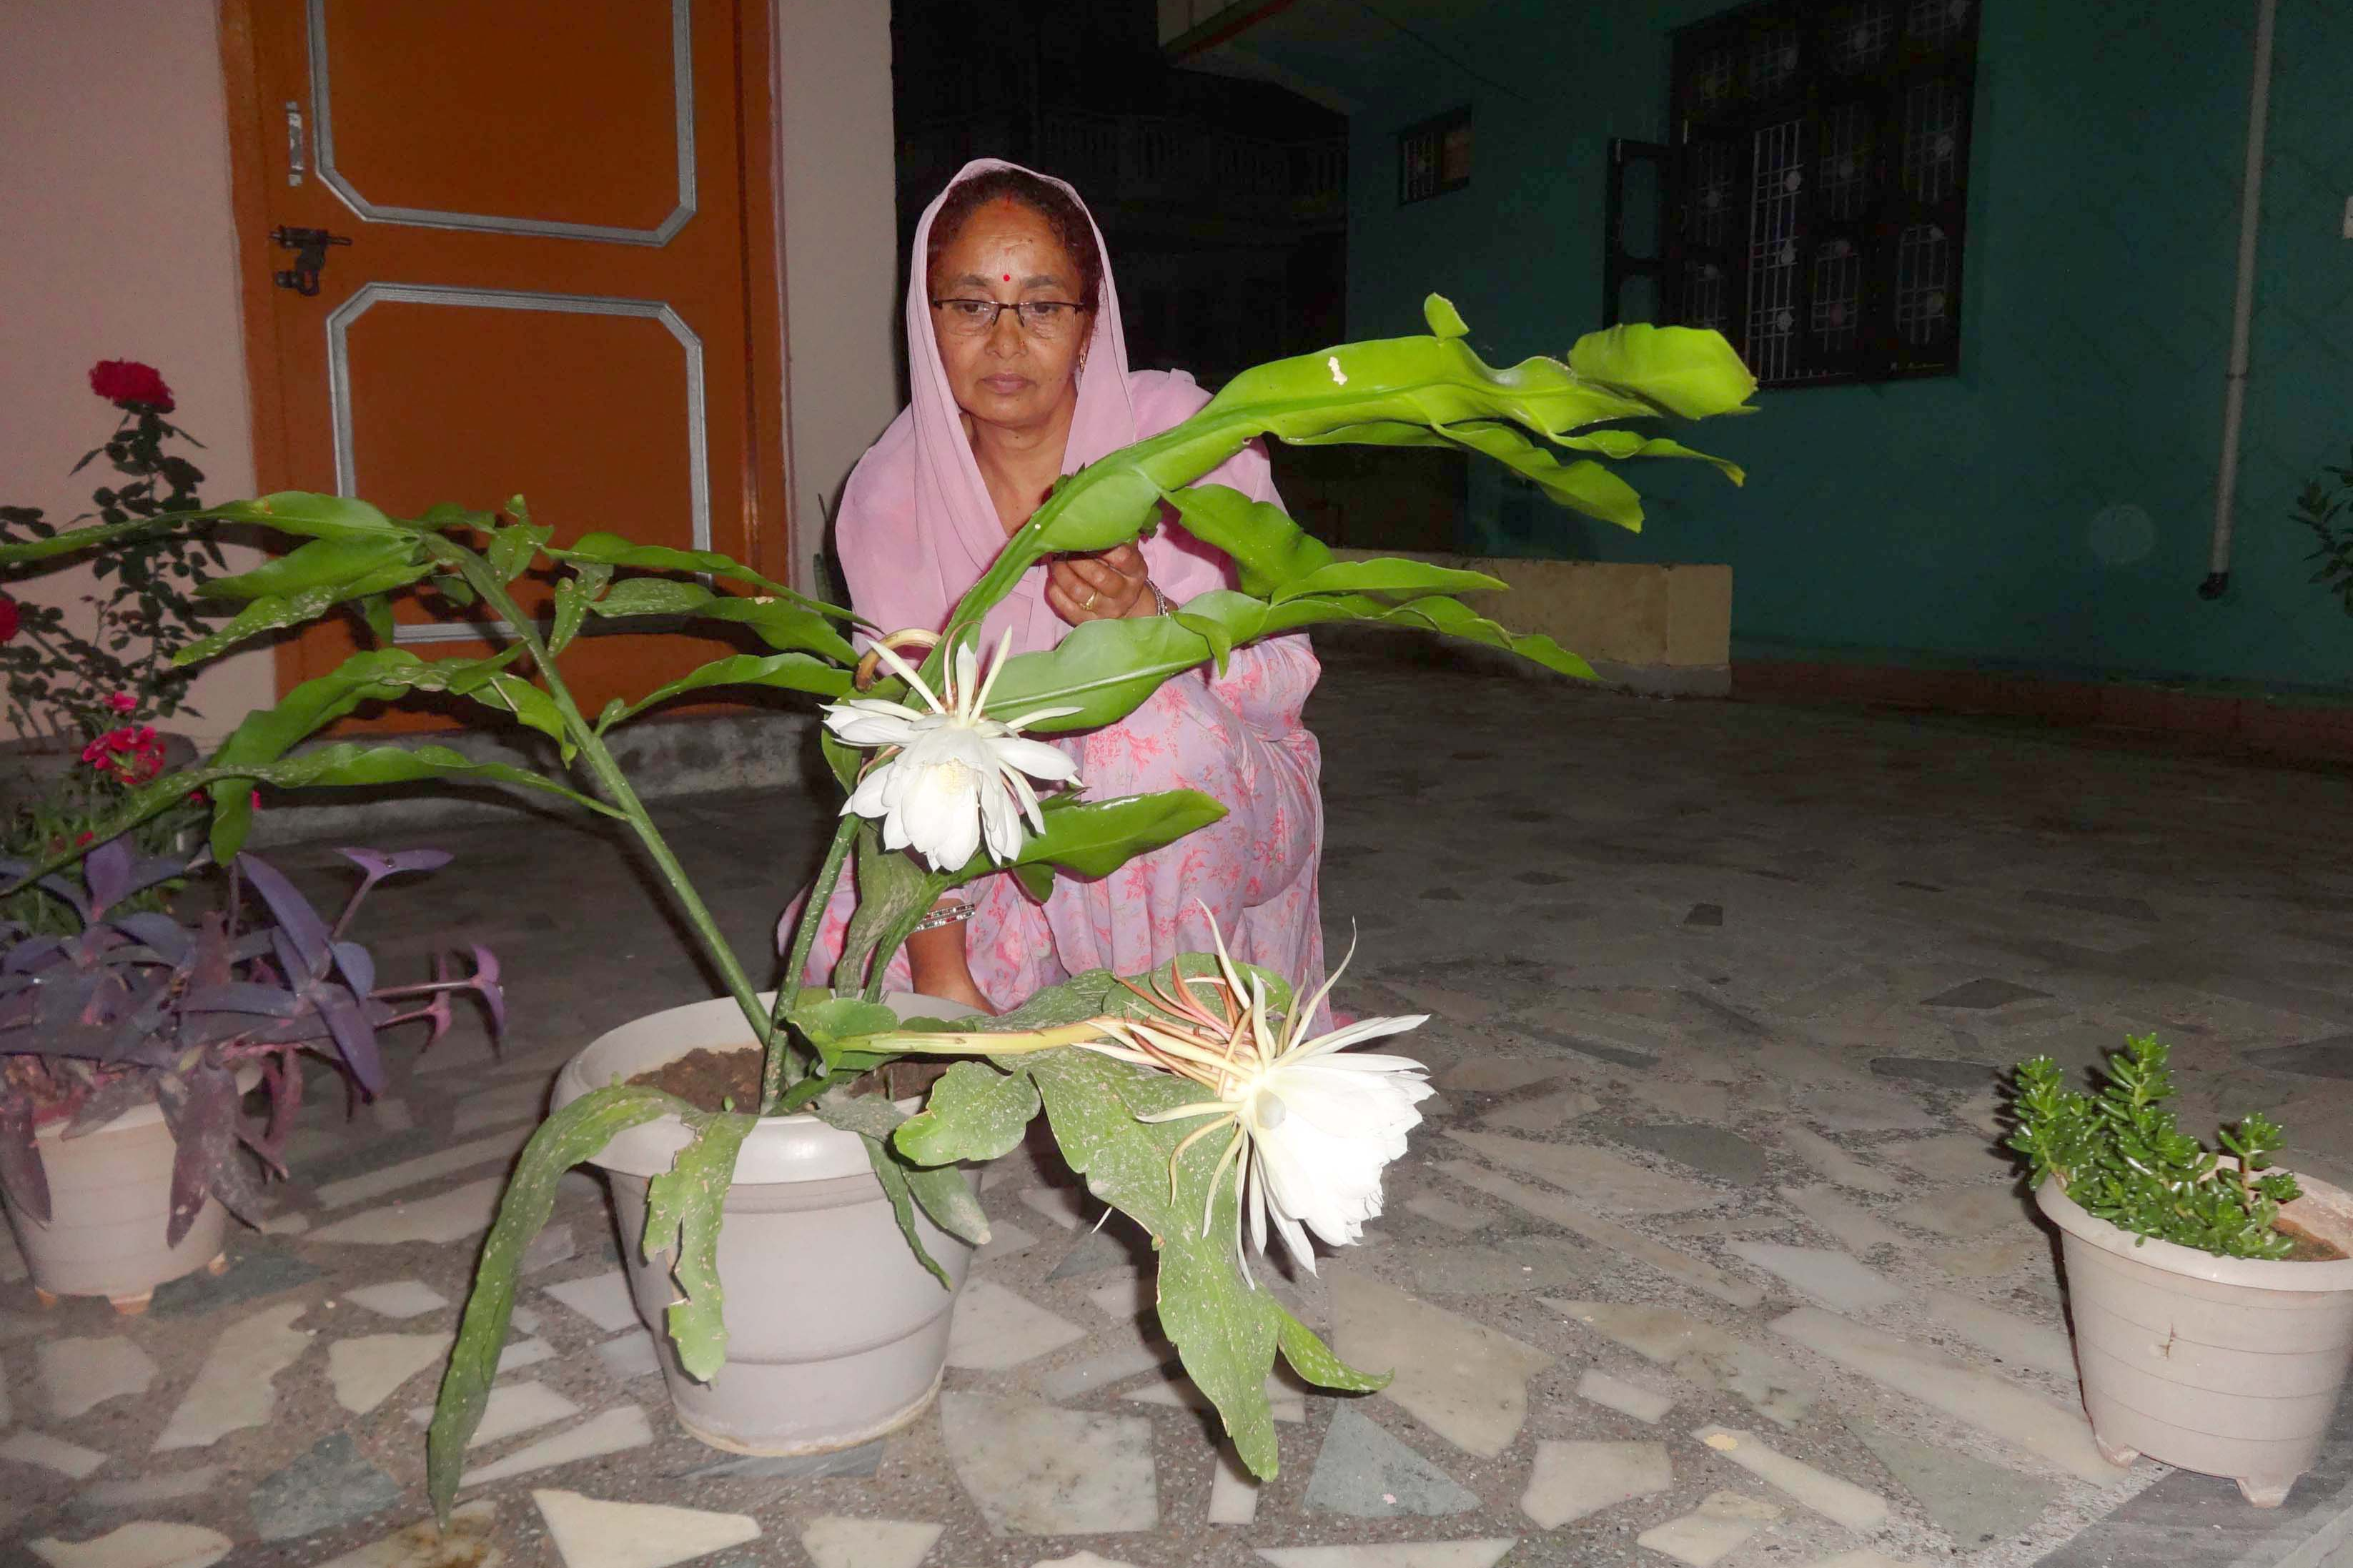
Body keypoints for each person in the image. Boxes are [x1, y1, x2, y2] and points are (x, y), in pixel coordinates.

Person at [783, 158, 1327, 1021]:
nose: (1005, 342)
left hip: (1224, 799)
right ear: (925, 324)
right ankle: (1037, 1029)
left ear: (1089, 321)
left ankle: (1179, 1046)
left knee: (1133, 742)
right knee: (838, 939)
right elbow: (911, 750)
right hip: (1018, 817)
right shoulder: (889, 492)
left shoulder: (1183, 442)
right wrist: (942, 966)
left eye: (1041, 306)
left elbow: (1283, 679)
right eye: (969, 305)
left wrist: (1152, 626)